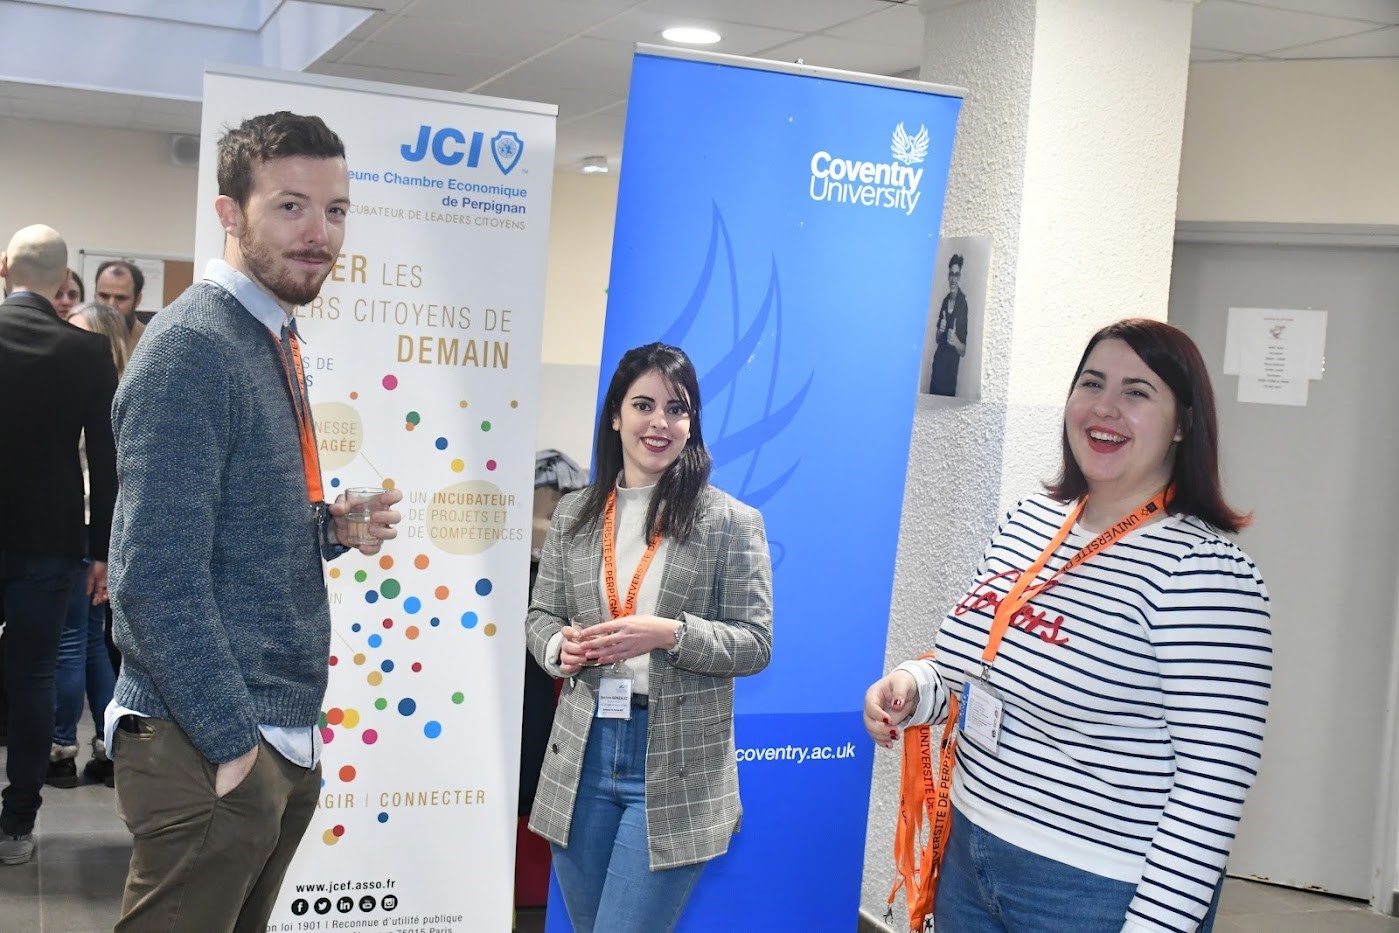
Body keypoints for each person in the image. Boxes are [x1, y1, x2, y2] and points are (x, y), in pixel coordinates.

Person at [865, 319, 1272, 933]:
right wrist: (918, 688)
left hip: (1091, 891)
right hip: (970, 853)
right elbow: (983, 664)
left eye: (1138, 392)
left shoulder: (1206, 574)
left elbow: (1211, 792)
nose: (1105, 408)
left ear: (1184, 424)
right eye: (1093, 383)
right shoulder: (1029, 524)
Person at [107, 111, 403, 932]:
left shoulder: (268, 333)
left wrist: (325, 528)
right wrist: (235, 747)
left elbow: (224, 534)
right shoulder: (193, 349)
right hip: (209, 741)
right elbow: (151, 579)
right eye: (291, 206)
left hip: (271, 733)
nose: (320, 234)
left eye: (336, 210)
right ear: (230, 214)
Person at [526, 342, 773, 933]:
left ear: (693, 425)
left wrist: (668, 634)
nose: (660, 423)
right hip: (581, 752)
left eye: (677, 409)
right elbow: (538, 616)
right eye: (644, 405)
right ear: (615, 415)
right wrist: (561, 648)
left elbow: (756, 643)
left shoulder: (730, 522)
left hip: (674, 760)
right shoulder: (576, 512)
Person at [0, 225, 118, 865]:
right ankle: (17, 824)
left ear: (3, 269)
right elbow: (106, 461)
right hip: (49, 543)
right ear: (62, 282)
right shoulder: (86, 353)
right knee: (34, 678)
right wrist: (101, 550)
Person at [46, 302, 130, 789]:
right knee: (97, 643)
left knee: (71, 642)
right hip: (106, 531)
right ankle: (107, 746)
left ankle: (61, 750)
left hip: (80, 527)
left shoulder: (84, 389)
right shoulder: (130, 390)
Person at [928, 253, 968, 396]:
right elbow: (938, 339)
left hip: (949, 377)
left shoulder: (963, 305)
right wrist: (940, 330)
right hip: (937, 371)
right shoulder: (945, 301)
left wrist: (956, 341)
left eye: (956, 275)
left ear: (960, 277)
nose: (953, 279)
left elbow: (963, 351)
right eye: (951, 274)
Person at [93, 259, 145, 353]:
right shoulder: (79, 336)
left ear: (137, 300)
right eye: (104, 296)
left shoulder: (150, 343)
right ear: (95, 295)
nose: (110, 305)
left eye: (121, 298)